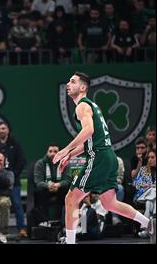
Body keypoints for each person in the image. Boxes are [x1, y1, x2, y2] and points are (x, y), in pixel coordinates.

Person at [53, 72, 154, 244]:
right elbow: (90, 141)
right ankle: (150, 224)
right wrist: (70, 155)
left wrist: (65, 149)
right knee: (110, 203)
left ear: (83, 87)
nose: (68, 84)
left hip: (99, 157)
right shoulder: (92, 105)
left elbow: (89, 131)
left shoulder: (82, 106)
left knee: (70, 199)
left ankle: (69, 242)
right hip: (109, 156)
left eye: (73, 81)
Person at [0, 121, 27, 237]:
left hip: (14, 182)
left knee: (17, 204)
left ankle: (22, 229)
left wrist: (14, 175)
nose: (1, 130)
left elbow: (22, 161)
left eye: (3, 128)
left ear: (8, 129)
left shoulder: (15, 144)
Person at [33, 144, 71, 226]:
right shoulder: (40, 164)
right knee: (38, 191)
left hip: (60, 189)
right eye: (50, 151)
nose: (52, 154)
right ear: (47, 152)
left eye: (55, 151)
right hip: (46, 189)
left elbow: (67, 180)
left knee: (68, 191)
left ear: (60, 153)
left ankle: (64, 222)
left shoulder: (65, 163)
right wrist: (48, 186)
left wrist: (58, 185)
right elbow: (38, 181)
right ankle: (44, 221)